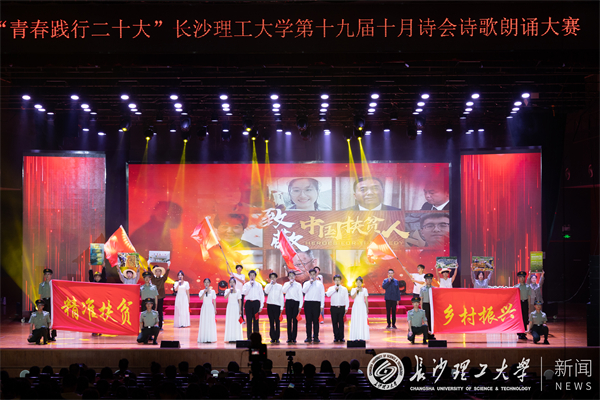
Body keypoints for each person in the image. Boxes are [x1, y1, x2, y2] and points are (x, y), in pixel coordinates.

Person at [302, 268, 325, 344]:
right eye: (311, 274)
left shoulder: (320, 284)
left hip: (316, 303)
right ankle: (308, 337)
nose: (312, 276)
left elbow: (322, 295)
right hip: (308, 303)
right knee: (308, 321)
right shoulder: (306, 283)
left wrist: (322, 305)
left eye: (313, 274)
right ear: (309, 275)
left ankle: (316, 337)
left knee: (316, 321)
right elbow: (304, 291)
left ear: (316, 275)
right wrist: (310, 283)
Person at [326, 274, 349, 343]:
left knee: (341, 323)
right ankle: (336, 337)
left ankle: (341, 337)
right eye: (336, 280)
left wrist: (346, 307)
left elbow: (346, 298)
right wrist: (334, 289)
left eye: (338, 280)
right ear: (334, 281)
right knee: (334, 323)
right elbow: (328, 294)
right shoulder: (331, 288)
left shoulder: (344, 289)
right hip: (334, 307)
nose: (337, 281)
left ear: (340, 281)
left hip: (341, 307)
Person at [282, 270, 303, 343]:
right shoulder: (286, 284)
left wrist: (300, 305)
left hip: (296, 303)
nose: (291, 277)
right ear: (288, 277)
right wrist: (289, 284)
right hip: (288, 302)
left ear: (295, 276)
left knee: (295, 320)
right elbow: (283, 291)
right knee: (288, 320)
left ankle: (294, 337)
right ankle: (289, 337)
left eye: (293, 275)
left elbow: (300, 295)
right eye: (290, 276)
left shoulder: (298, 285)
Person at [241, 270, 264, 339]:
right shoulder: (246, 285)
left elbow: (261, 295)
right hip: (248, 303)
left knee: (256, 320)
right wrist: (249, 286)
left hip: (256, 303)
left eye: (253, 275)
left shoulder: (259, 285)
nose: (252, 277)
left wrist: (261, 306)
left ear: (255, 276)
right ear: (249, 276)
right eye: (250, 275)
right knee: (249, 321)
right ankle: (249, 337)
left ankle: (256, 338)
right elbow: (244, 293)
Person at [264, 273, 284, 344]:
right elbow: (266, 291)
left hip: (277, 305)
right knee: (271, 322)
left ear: (276, 278)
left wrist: (282, 306)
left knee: (277, 322)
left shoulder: (279, 286)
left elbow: (281, 296)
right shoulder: (268, 285)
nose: (273, 279)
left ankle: (277, 337)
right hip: (270, 305)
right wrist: (270, 284)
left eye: (274, 277)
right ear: (270, 279)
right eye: (271, 277)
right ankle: (272, 337)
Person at [151, 261, 171, 330]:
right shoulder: (153, 279)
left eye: (159, 271)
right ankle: (153, 325)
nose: (157, 273)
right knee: (153, 311)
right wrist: (148, 266)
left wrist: (168, 266)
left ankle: (160, 326)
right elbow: (150, 273)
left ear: (160, 272)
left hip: (160, 297)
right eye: (156, 271)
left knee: (160, 311)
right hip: (153, 297)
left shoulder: (162, 279)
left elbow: (166, 274)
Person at [88, 264, 107, 336]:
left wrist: (103, 267)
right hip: (94, 302)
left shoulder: (103, 282)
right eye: (96, 277)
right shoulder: (93, 283)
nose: (97, 278)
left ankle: (100, 330)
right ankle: (94, 330)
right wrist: (90, 268)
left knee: (100, 317)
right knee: (94, 317)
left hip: (101, 303)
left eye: (98, 277)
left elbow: (104, 276)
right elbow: (90, 277)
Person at [38, 268, 56, 341]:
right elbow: (40, 296)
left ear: (51, 275)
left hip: (52, 301)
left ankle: (53, 335)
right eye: (46, 274)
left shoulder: (53, 284)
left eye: (49, 274)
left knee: (53, 319)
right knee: (46, 319)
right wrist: (40, 305)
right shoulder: (41, 285)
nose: (47, 276)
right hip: (44, 302)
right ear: (44, 275)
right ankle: (47, 335)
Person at [349, 277, 369, 341]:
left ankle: (361, 336)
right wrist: (356, 291)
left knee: (362, 320)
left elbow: (366, 300)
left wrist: (367, 308)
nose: (358, 283)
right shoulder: (353, 289)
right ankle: (355, 336)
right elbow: (352, 297)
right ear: (355, 283)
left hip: (362, 306)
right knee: (356, 320)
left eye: (360, 282)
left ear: (362, 283)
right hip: (356, 306)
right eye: (357, 282)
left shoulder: (365, 290)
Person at [224, 277, 243, 342]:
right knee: (230, 321)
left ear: (235, 283)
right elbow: (225, 297)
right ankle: (230, 338)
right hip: (230, 307)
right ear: (229, 283)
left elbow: (240, 300)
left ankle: (237, 337)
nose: (232, 283)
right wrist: (229, 291)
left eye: (233, 282)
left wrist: (240, 309)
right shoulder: (227, 290)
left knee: (236, 321)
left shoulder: (238, 291)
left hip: (236, 307)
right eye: (230, 282)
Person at [197, 278, 217, 343]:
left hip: (210, 307)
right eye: (205, 282)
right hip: (204, 308)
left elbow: (214, 301)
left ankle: (210, 338)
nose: (206, 283)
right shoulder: (201, 291)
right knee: (204, 322)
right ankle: (204, 338)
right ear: (203, 283)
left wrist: (215, 309)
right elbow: (200, 298)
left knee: (210, 322)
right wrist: (204, 292)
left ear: (210, 283)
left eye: (208, 282)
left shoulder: (213, 291)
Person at [419, 273, 437, 340]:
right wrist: (421, 308)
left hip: (432, 305)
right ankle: (426, 334)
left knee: (431, 320)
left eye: (430, 279)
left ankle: (431, 334)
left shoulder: (434, 289)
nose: (429, 281)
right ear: (425, 280)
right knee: (426, 320)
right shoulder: (422, 289)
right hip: (425, 305)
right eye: (427, 279)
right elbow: (421, 299)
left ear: (431, 280)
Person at [515, 271, 531, 340]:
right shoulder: (516, 287)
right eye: (520, 277)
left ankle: (523, 333)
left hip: (525, 303)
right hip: (518, 303)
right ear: (518, 278)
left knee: (525, 318)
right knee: (519, 318)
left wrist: (529, 306)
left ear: (525, 278)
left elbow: (529, 297)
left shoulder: (528, 286)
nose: (522, 278)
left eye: (523, 277)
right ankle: (519, 333)